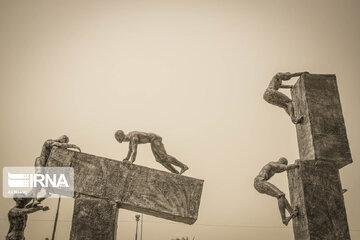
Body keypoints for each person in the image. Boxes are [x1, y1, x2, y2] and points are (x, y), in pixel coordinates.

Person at [30, 135, 81, 205]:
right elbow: (57, 144)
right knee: (38, 177)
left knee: (45, 180)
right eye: (65, 141)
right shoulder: (50, 141)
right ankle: (34, 199)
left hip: (47, 165)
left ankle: (45, 194)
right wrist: (72, 146)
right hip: (41, 161)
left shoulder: (58, 147)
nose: (65, 143)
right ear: (63, 138)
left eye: (66, 142)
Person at [115, 130, 188, 174]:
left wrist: (131, 161)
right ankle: (175, 173)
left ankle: (183, 166)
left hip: (154, 139)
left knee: (163, 156)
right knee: (159, 160)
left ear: (121, 137)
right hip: (152, 140)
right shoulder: (130, 137)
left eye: (120, 139)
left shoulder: (133, 138)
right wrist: (126, 159)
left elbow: (134, 151)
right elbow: (130, 150)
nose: (123, 141)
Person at [254, 157, 299, 225]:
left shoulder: (274, 168)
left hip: (259, 184)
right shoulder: (273, 164)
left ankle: (291, 212)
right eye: (283, 164)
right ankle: (284, 219)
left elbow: (282, 169)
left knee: (281, 196)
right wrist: (297, 165)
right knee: (280, 195)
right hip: (259, 182)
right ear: (282, 162)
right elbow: (286, 167)